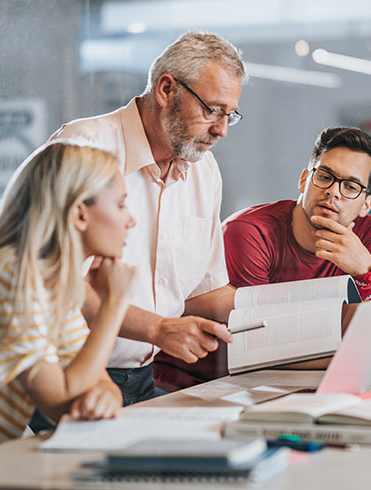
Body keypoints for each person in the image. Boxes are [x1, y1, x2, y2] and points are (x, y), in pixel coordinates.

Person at [46, 31, 244, 402]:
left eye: (230, 115)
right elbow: (58, 281)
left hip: (142, 378)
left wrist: (309, 314)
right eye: (212, 110)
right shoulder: (84, 147)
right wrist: (158, 328)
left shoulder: (204, 169)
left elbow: (206, 293)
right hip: (62, 374)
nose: (221, 130)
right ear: (166, 90)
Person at [0, 141, 136, 466]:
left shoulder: (51, 284)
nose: (130, 220)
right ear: (79, 213)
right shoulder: (12, 276)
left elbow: (93, 379)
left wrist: (104, 396)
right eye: (121, 205)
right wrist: (114, 304)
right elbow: (60, 401)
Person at [223, 127, 371, 371]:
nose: (333, 191)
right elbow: (257, 346)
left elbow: (368, 333)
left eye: (351, 187)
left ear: (366, 204)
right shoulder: (249, 231)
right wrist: (366, 356)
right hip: (209, 383)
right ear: (304, 180)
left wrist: (366, 276)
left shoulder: (367, 234)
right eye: (324, 176)